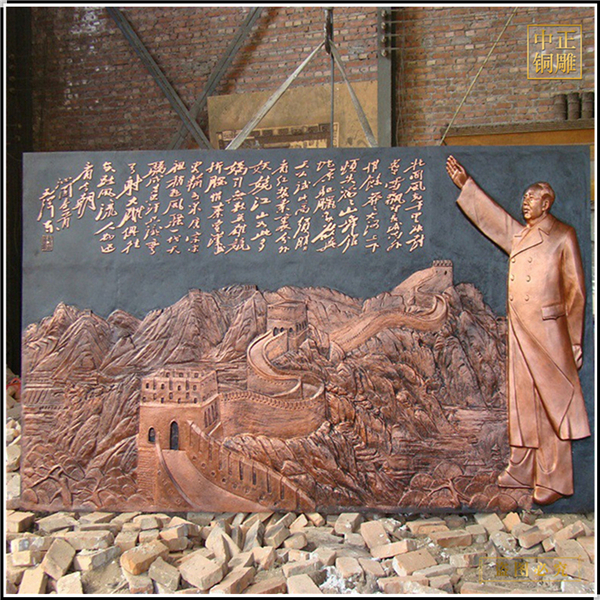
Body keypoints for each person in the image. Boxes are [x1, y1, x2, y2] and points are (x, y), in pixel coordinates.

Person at [445, 155, 590, 505]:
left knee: (551, 402)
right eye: (524, 198)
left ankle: (555, 478)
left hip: (550, 332)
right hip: (521, 329)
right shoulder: (523, 235)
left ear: (546, 203)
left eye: (531, 198)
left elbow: (576, 292)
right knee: (523, 400)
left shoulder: (562, 235)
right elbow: (495, 222)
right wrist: (467, 186)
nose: (525, 203)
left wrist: (574, 340)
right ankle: (523, 468)